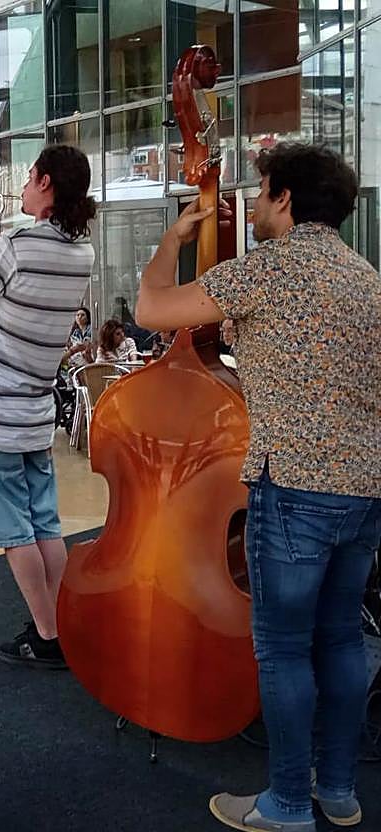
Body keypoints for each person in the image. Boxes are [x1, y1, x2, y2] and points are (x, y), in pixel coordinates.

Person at [134, 142, 381, 832]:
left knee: (283, 648)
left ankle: (288, 804)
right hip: (364, 489)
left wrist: (174, 239)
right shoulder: (368, 278)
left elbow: (151, 308)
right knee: (341, 639)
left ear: (284, 198)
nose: (256, 205)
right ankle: (338, 791)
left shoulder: (266, 271)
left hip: (294, 488)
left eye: (263, 190)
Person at [0, 144, 97, 669]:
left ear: (47, 183)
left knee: (15, 533)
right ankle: (61, 626)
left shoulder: (19, 247)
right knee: (45, 526)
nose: (25, 186)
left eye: (31, 178)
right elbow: (10, 274)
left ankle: (48, 634)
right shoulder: (80, 252)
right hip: (33, 416)